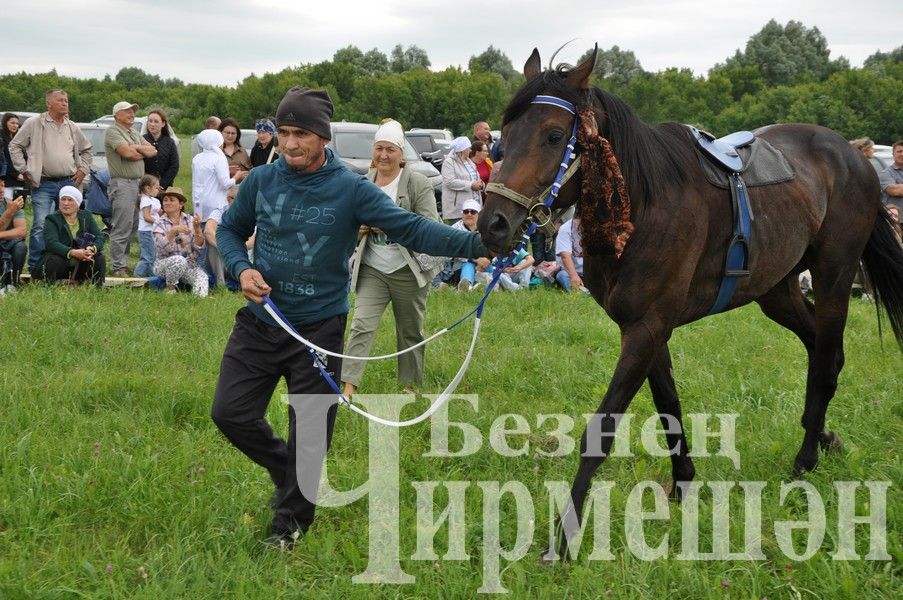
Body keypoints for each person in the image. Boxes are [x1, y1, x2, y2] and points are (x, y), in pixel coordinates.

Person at [211, 86, 488, 548]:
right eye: (284, 132)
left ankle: (290, 526)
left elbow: (415, 229)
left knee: (312, 432)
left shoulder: (352, 189)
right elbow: (231, 231)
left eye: (302, 133)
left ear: (323, 137)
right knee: (230, 413)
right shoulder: (261, 180)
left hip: (319, 330)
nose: (291, 143)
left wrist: (477, 246)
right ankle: (286, 471)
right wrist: (241, 268)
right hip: (263, 321)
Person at [341, 119, 443, 398]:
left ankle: (410, 387)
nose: (384, 155)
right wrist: (359, 229)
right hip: (372, 265)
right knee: (361, 324)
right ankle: (348, 387)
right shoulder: (364, 183)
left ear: (401, 154)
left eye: (390, 149)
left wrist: (391, 227)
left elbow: (429, 224)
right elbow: (348, 224)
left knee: (410, 329)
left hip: (407, 269)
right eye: (379, 149)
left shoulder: (417, 182)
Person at [9, 89, 93, 274]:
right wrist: (24, 170)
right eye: (60, 100)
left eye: (66, 100)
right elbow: (14, 145)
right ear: (49, 104)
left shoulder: (72, 126)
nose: (65, 103)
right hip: (43, 184)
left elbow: (87, 149)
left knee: (68, 223)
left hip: (68, 183)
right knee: (40, 223)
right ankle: (36, 267)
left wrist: (82, 170)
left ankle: (64, 265)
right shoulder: (34, 123)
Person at [105, 101, 157, 277]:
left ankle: (123, 264)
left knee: (133, 224)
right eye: (126, 111)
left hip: (138, 184)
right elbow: (127, 154)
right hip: (123, 183)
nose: (131, 114)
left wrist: (135, 148)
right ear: (116, 115)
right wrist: (136, 150)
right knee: (122, 225)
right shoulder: (113, 131)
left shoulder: (133, 132)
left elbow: (152, 151)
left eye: (133, 111)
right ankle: (119, 267)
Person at [39, 186, 105, 285]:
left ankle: (98, 289)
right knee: (53, 260)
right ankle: (51, 287)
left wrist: (91, 249)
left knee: (99, 258)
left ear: (78, 204)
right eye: (63, 199)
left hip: (82, 261)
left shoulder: (86, 216)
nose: (66, 203)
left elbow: (99, 237)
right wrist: (72, 252)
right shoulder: (52, 219)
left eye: (70, 200)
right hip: (62, 261)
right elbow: (51, 243)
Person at [152, 186, 208, 296]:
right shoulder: (158, 222)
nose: (167, 203)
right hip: (163, 264)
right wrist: (173, 231)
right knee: (178, 260)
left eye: (172, 200)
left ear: (181, 204)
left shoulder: (191, 220)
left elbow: (199, 246)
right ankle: (171, 288)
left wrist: (197, 229)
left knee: (202, 276)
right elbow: (162, 251)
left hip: (189, 263)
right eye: (165, 200)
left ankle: (199, 301)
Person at [434, 198, 492, 291]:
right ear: (462, 214)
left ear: (479, 214)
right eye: (466, 212)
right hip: (459, 265)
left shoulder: (486, 229)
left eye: (473, 212)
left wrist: (487, 260)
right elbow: (453, 252)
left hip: (484, 263)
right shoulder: (454, 230)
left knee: (491, 267)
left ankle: (484, 285)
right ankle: (468, 286)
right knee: (468, 265)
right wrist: (476, 260)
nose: (469, 214)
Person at [204, 185, 252, 290]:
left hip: (245, 256)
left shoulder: (252, 212)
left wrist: (234, 249)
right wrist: (224, 247)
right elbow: (208, 230)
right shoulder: (220, 211)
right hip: (223, 258)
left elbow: (254, 239)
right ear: (229, 199)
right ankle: (220, 285)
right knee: (212, 244)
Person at [440, 136, 483, 221]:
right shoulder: (449, 162)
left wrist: (481, 184)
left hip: (474, 207)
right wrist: (471, 185)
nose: (470, 150)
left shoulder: (470, 162)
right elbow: (449, 182)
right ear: (462, 149)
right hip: (458, 209)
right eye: (469, 148)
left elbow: (474, 178)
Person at [0, 180, 27, 292]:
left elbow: (21, 231)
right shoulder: (12, 207)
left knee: (20, 247)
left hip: (8, 243)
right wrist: (9, 213)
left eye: (2, 186)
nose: (1, 190)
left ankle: (13, 283)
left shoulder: (11, 203)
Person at [142, 109, 180, 188]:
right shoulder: (141, 140)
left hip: (165, 187)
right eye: (150, 121)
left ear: (163, 124)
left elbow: (174, 166)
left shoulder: (170, 142)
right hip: (147, 187)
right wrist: (149, 184)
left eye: (156, 121)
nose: (152, 124)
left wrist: (162, 184)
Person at [134, 174, 162, 278]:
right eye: (156, 187)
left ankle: (152, 276)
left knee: (153, 255)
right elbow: (147, 217)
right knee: (147, 257)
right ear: (147, 188)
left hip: (152, 231)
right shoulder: (145, 200)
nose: (158, 190)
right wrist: (159, 222)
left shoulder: (153, 200)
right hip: (146, 232)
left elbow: (159, 212)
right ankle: (137, 276)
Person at [555, 216, 588, 293]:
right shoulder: (566, 228)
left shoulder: (597, 226)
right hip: (571, 271)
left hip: (591, 272)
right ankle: (581, 292)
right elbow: (565, 256)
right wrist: (574, 276)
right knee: (562, 275)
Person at [1, 112, 23, 198]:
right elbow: (3, 159)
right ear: (5, 122)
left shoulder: (18, 138)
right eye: (12, 123)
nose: (15, 125)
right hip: (5, 180)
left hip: (19, 179)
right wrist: (16, 174)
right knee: (6, 206)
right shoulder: (1, 137)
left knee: (19, 206)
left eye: (17, 123)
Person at [879, 140, 903, 213]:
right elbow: (894, 191)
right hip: (895, 220)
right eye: (899, 151)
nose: (902, 154)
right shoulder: (886, 173)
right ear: (893, 154)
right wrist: (898, 188)